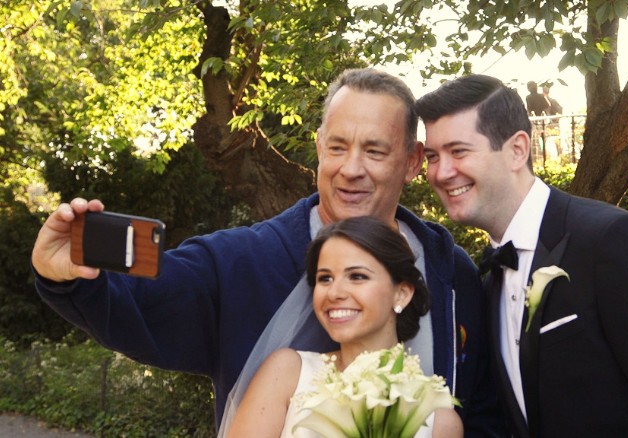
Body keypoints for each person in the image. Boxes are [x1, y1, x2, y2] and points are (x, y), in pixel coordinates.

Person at [31, 69, 500, 434]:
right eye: (337, 147)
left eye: (375, 151)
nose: (351, 169)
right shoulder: (240, 261)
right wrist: (69, 278)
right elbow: (145, 301)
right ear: (318, 147)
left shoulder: (451, 270)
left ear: (413, 161)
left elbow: (480, 406)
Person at [416, 74, 628, 437]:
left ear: (517, 150)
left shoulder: (612, 242)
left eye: (458, 151)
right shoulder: (489, 276)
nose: (441, 172)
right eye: (432, 156)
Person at [226, 216, 463, 437]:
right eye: (325, 278)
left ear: (401, 293)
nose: (335, 293)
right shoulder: (287, 373)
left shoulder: (439, 420)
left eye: (357, 276)